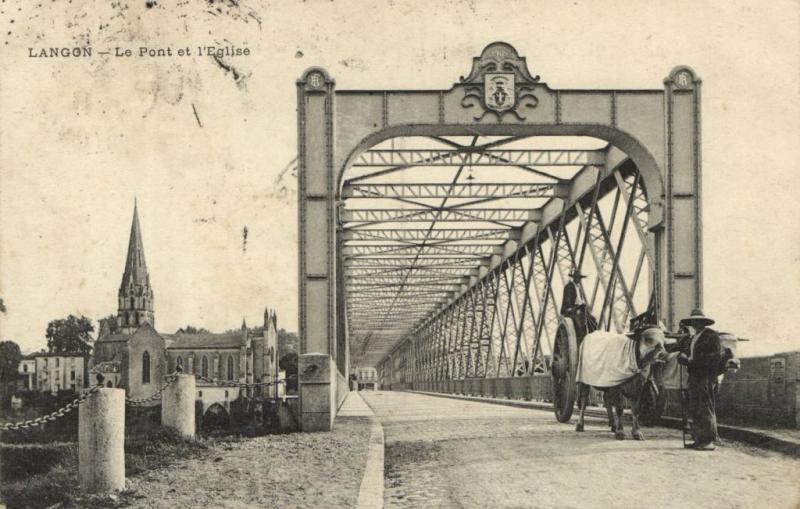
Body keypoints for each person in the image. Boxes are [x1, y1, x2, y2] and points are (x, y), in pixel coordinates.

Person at [676, 309, 721, 451]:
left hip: (706, 376)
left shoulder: (711, 336)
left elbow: (712, 359)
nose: (695, 324)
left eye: (698, 321)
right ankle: (698, 439)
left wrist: (688, 361)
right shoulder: (694, 337)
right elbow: (690, 354)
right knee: (695, 407)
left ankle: (708, 441)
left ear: (703, 322)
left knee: (705, 407)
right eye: (693, 321)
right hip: (695, 376)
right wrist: (684, 357)